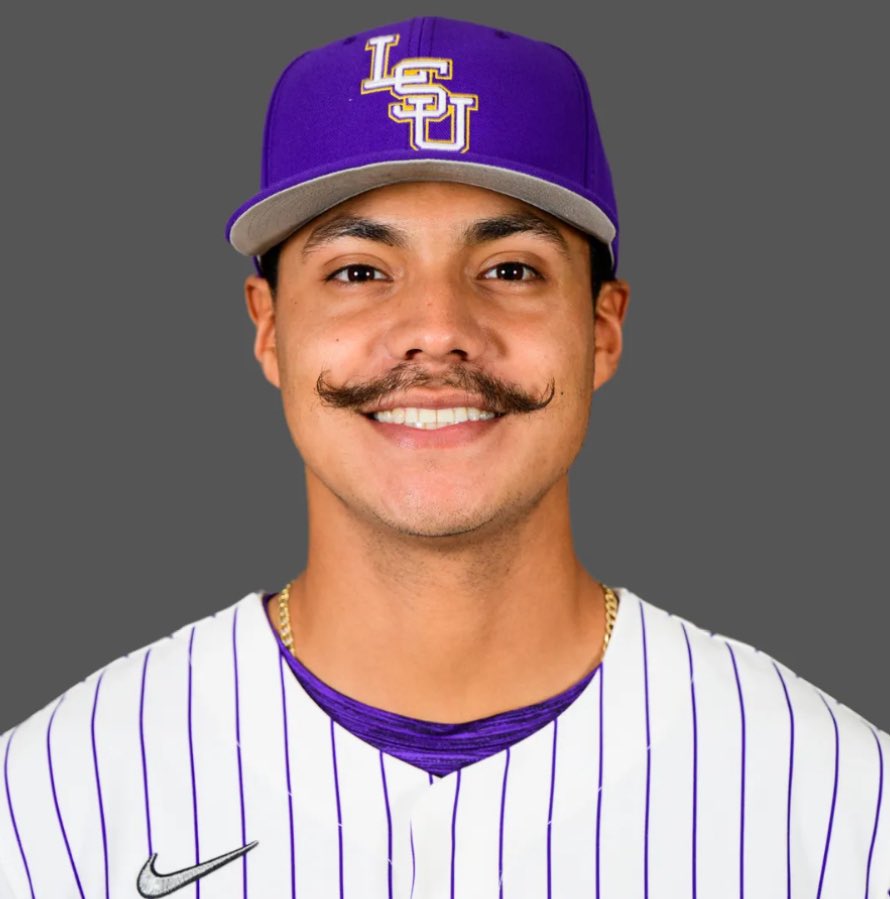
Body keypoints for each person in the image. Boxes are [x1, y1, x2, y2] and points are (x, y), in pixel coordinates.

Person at [1, 15, 886, 898]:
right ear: (269, 328)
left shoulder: (841, 804)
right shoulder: (51, 804)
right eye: (358, 270)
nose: (437, 327)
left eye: (510, 269)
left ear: (602, 329)